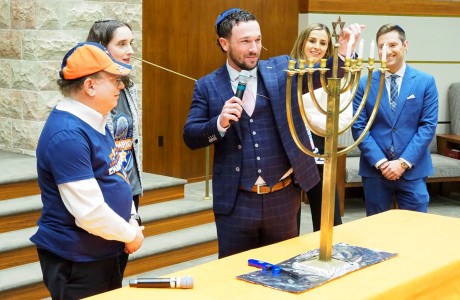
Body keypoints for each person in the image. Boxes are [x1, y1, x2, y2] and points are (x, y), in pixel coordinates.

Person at [183, 8, 322, 259]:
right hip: (237, 202)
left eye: (257, 40)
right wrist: (219, 124)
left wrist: (345, 53)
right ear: (224, 43)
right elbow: (191, 136)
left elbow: (327, 75)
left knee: (284, 273)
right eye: (245, 41)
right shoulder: (207, 85)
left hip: (282, 197)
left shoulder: (282, 69)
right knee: (234, 277)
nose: (254, 48)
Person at [30, 42, 145, 300]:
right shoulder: (68, 135)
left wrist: (132, 218)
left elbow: (118, 174)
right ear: (89, 86)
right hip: (78, 261)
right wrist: (131, 233)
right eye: (114, 80)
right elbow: (89, 213)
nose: (121, 86)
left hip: (105, 250)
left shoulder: (98, 118)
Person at [351, 24, 438, 216]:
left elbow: (428, 126)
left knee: (414, 229)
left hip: (412, 170)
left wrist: (403, 162)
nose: (386, 51)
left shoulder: (425, 81)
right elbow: (359, 126)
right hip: (375, 171)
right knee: (376, 231)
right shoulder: (364, 83)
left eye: (392, 44)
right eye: (381, 46)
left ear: (405, 45)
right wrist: (382, 163)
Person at [86, 18, 143, 276]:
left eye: (131, 43)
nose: (130, 50)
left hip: (129, 188)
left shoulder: (127, 87)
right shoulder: (90, 93)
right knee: (102, 268)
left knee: (118, 266)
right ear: (100, 49)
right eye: (122, 44)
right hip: (103, 190)